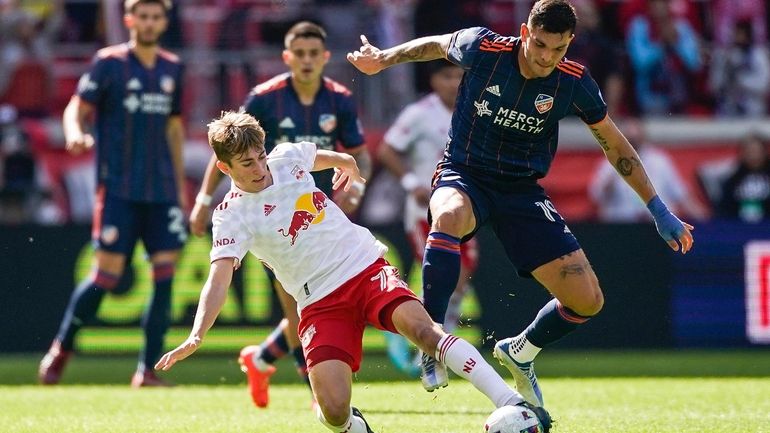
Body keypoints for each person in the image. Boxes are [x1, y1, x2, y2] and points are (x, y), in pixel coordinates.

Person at [347, 0, 694, 407]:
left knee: (587, 300)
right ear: (526, 32)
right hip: (464, 172)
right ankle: (432, 341)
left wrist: (658, 208)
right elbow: (436, 46)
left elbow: (615, 146)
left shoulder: (574, 81)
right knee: (448, 214)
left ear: (569, 43)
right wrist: (383, 58)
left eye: (558, 49)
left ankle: (522, 350)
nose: (547, 57)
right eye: (541, 45)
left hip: (521, 190)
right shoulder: (483, 47)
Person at [154, 110, 550, 433]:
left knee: (426, 332)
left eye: (260, 156)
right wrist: (196, 334)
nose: (259, 168)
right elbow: (218, 279)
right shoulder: (231, 216)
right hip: (318, 302)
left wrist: (349, 168)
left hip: (362, 267)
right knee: (332, 411)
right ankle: (351, 426)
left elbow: (338, 158)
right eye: (246, 163)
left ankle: (514, 405)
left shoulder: (288, 157)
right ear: (224, 167)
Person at [188, 21, 372, 408]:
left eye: (313, 54)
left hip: (322, 215)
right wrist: (205, 201)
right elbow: (227, 152)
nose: (306, 61)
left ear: (324, 58)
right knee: (299, 306)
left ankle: (259, 359)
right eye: (298, 54)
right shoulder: (264, 98)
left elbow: (358, 151)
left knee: (319, 303)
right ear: (287, 58)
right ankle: (315, 392)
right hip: (273, 219)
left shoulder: (339, 98)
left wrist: (353, 189)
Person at [38, 0, 186, 387]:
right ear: (129, 20)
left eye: (157, 16)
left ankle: (147, 370)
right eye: (144, 16)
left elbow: (173, 129)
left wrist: (181, 190)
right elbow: (77, 107)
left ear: (164, 22)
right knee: (105, 275)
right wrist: (74, 133)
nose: (150, 22)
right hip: (119, 189)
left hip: (161, 192)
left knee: (165, 275)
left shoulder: (173, 67)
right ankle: (62, 347)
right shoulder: (109, 63)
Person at [377, 60, 478, 377]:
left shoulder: (475, 111)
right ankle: (431, 354)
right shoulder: (419, 114)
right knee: (445, 277)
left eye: (459, 77)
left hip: (467, 209)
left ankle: (410, 331)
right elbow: (387, 150)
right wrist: (412, 184)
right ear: (433, 80)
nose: (453, 83)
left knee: (460, 281)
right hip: (427, 211)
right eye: (446, 76)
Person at [589, 118, 709, 222]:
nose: (632, 144)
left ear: (643, 137)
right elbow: (597, 196)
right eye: (629, 140)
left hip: (657, 227)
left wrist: (705, 220)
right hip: (623, 227)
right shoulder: (609, 163)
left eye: (635, 139)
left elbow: (680, 194)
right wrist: (615, 172)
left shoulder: (659, 160)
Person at [716, 134, 770, 222]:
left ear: (764, 152)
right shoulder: (733, 179)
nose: (753, 155)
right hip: (740, 228)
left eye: (756, 151)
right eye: (749, 151)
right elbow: (724, 208)